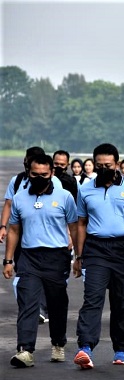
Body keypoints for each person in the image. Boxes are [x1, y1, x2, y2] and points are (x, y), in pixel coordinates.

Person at [73, 143, 124, 368]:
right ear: (94, 165)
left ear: (117, 164)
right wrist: (79, 256)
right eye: (99, 165)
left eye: (108, 165)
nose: (104, 168)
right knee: (92, 298)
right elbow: (81, 223)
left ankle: (121, 348)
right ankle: (85, 347)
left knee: (122, 301)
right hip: (96, 249)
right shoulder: (85, 189)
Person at [3, 154, 78, 368]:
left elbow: (74, 226)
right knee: (28, 303)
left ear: (52, 173)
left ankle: (58, 343)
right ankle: (25, 350)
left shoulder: (65, 197)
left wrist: (78, 257)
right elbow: (14, 229)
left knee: (56, 303)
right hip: (29, 257)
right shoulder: (19, 198)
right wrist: (8, 260)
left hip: (56, 256)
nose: (39, 178)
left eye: (44, 175)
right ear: (28, 173)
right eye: (34, 174)